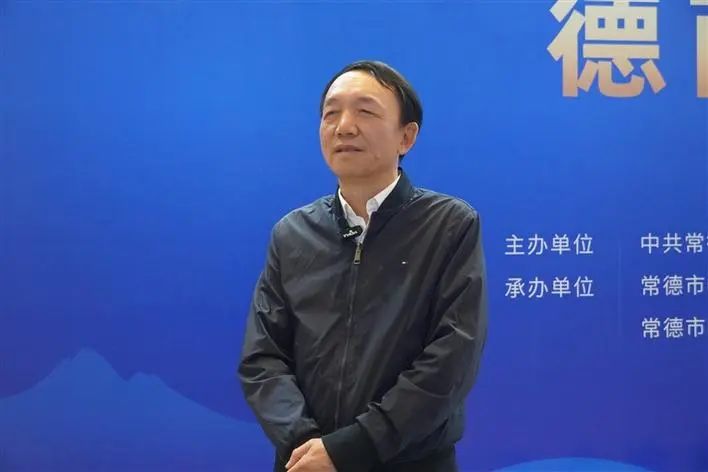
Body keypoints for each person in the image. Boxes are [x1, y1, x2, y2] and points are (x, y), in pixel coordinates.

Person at [238, 60, 488, 472]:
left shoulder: (448, 225)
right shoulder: (292, 233)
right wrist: (306, 444)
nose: (344, 127)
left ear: (406, 137)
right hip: (306, 462)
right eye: (331, 113)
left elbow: (452, 359)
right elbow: (262, 357)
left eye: (365, 112)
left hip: (409, 461)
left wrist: (352, 448)